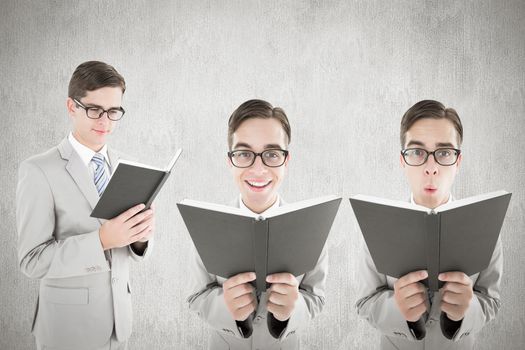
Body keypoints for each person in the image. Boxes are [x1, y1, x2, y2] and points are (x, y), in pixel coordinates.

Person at [16, 61, 154, 350]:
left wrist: (140, 238)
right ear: (71, 107)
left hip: (119, 325)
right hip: (66, 329)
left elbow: (129, 248)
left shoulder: (127, 167)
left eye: (114, 111)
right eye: (94, 110)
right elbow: (32, 260)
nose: (105, 121)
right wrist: (101, 240)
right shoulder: (38, 170)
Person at [355, 100, 502, 349]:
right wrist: (397, 309)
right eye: (417, 152)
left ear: (458, 161)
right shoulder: (379, 226)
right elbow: (365, 303)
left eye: (444, 152)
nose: (431, 168)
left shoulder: (485, 226)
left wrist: (466, 311)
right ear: (402, 160)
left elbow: (491, 302)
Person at [187, 99, 327, 349]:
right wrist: (226, 307)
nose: (259, 169)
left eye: (272, 154)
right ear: (230, 160)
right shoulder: (208, 225)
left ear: (287, 160)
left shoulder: (312, 226)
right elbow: (197, 296)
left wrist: (289, 313)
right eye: (244, 154)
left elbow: (315, 298)